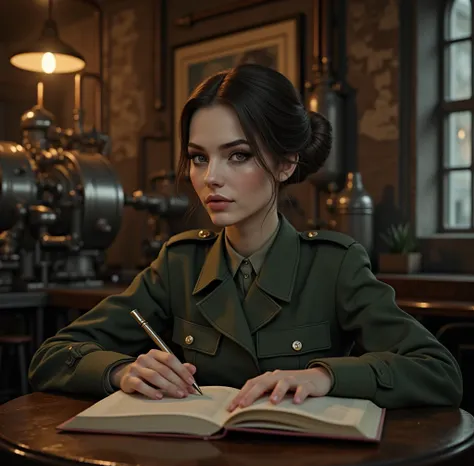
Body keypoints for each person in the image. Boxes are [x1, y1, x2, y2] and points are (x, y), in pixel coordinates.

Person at [29, 64, 462, 411]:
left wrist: (324, 376)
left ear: (286, 164)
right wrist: (121, 371)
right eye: (199, 158)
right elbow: (53, 356)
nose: (210, 178)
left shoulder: (335, 264)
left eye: (239, 155)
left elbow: (438, 371)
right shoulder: (180, 263)